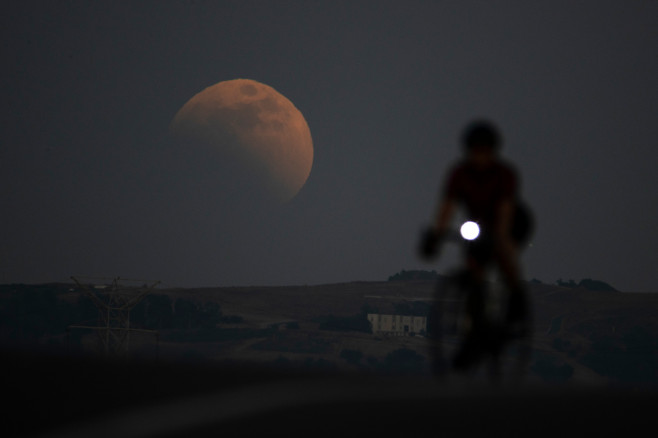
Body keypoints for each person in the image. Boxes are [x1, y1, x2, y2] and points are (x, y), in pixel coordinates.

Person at [420, 120, 533, 372]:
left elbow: (505, 213)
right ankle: (473, 335)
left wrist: (500, 238)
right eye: (475, 151)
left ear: (493, 152)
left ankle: (516, 297)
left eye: (484, 152)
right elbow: (447, 208)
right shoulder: (459, 174)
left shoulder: (505, 174)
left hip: (512, 221)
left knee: (502, 251)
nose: (479, 157)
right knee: (473, 269)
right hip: (478, 225)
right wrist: (436, 235)